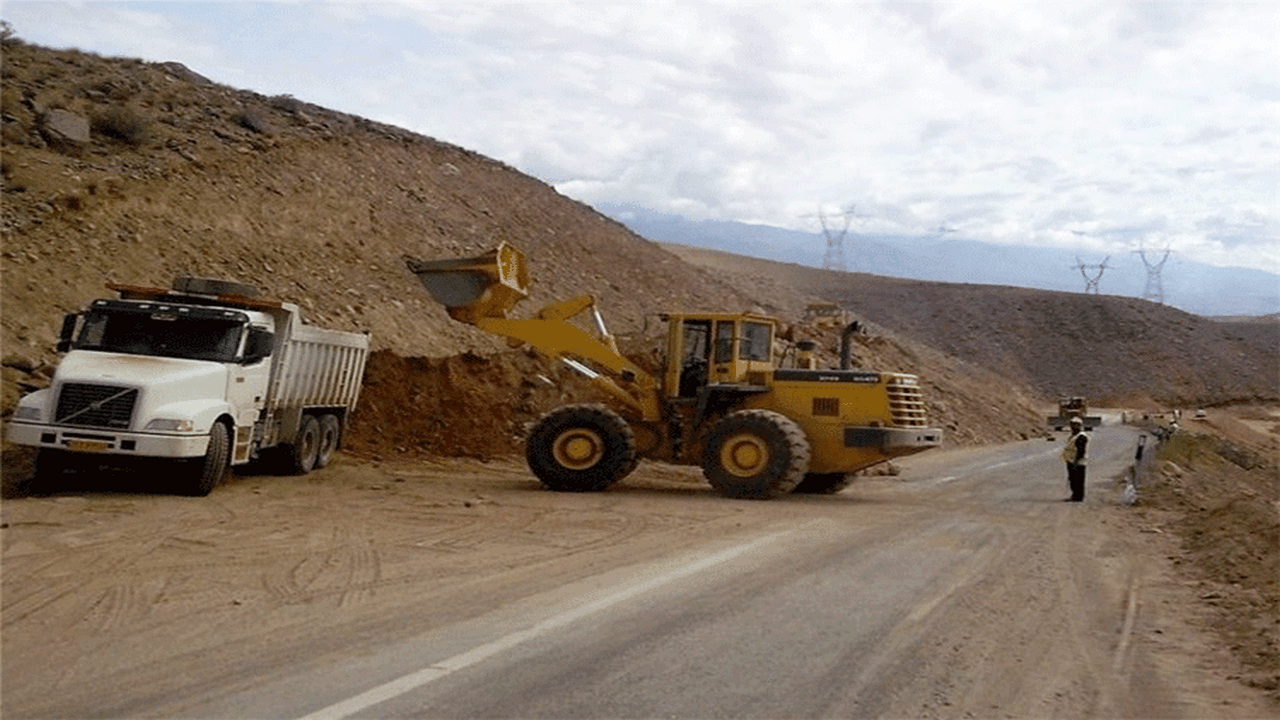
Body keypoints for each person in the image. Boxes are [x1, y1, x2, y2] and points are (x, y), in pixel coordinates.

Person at [1061, 416, 1088, 501]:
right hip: (1071, 461)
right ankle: (1075, 495)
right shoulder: (1073, 436)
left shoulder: (1081, 437)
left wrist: (1076, 461)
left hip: (1078, 462)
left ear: (1079, 425)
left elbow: (1081, 451)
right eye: (1072, 424)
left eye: (1075, 425)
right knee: (1073, 479)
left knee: (1078, 480)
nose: (1072, 426)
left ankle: (1078, 497)